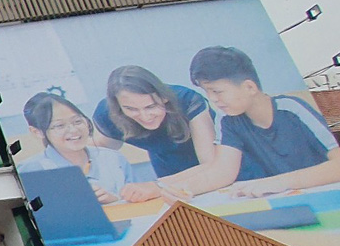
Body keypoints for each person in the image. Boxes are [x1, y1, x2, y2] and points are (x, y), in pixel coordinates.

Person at [190, 46, 340, 197]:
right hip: (290, 199)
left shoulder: (291, 109)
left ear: (250, 87)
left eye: (217, 91)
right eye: (207, 92)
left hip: (333, 193)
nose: (212, 99)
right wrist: (180, 190)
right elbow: (222, 172)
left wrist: (280, 182)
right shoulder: (227, 119)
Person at [92, 65, 240, 191]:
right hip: (165, 169)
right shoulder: (107, 115)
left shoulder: (187, 101)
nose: (145, 116)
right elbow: (102, 148)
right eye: (131, 109)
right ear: (117, 107)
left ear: (164, 97)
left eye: (151, 106)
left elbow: (211, 163)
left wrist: (158, 186)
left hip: (214, 174)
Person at [20, 92, 162, 203]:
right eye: (59, 126)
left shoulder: (113, 158)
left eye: (77, 121)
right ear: (37, 132)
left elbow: (139, 203)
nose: (73, 130)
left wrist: (115, 200)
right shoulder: (31, 170)